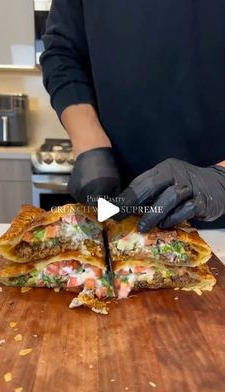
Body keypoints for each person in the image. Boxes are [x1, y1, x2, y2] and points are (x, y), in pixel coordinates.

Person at [40, 0, 225, 231]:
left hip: (218, 207)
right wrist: (90, 144)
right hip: (116, 206)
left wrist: (222, 177)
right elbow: (62, 53)